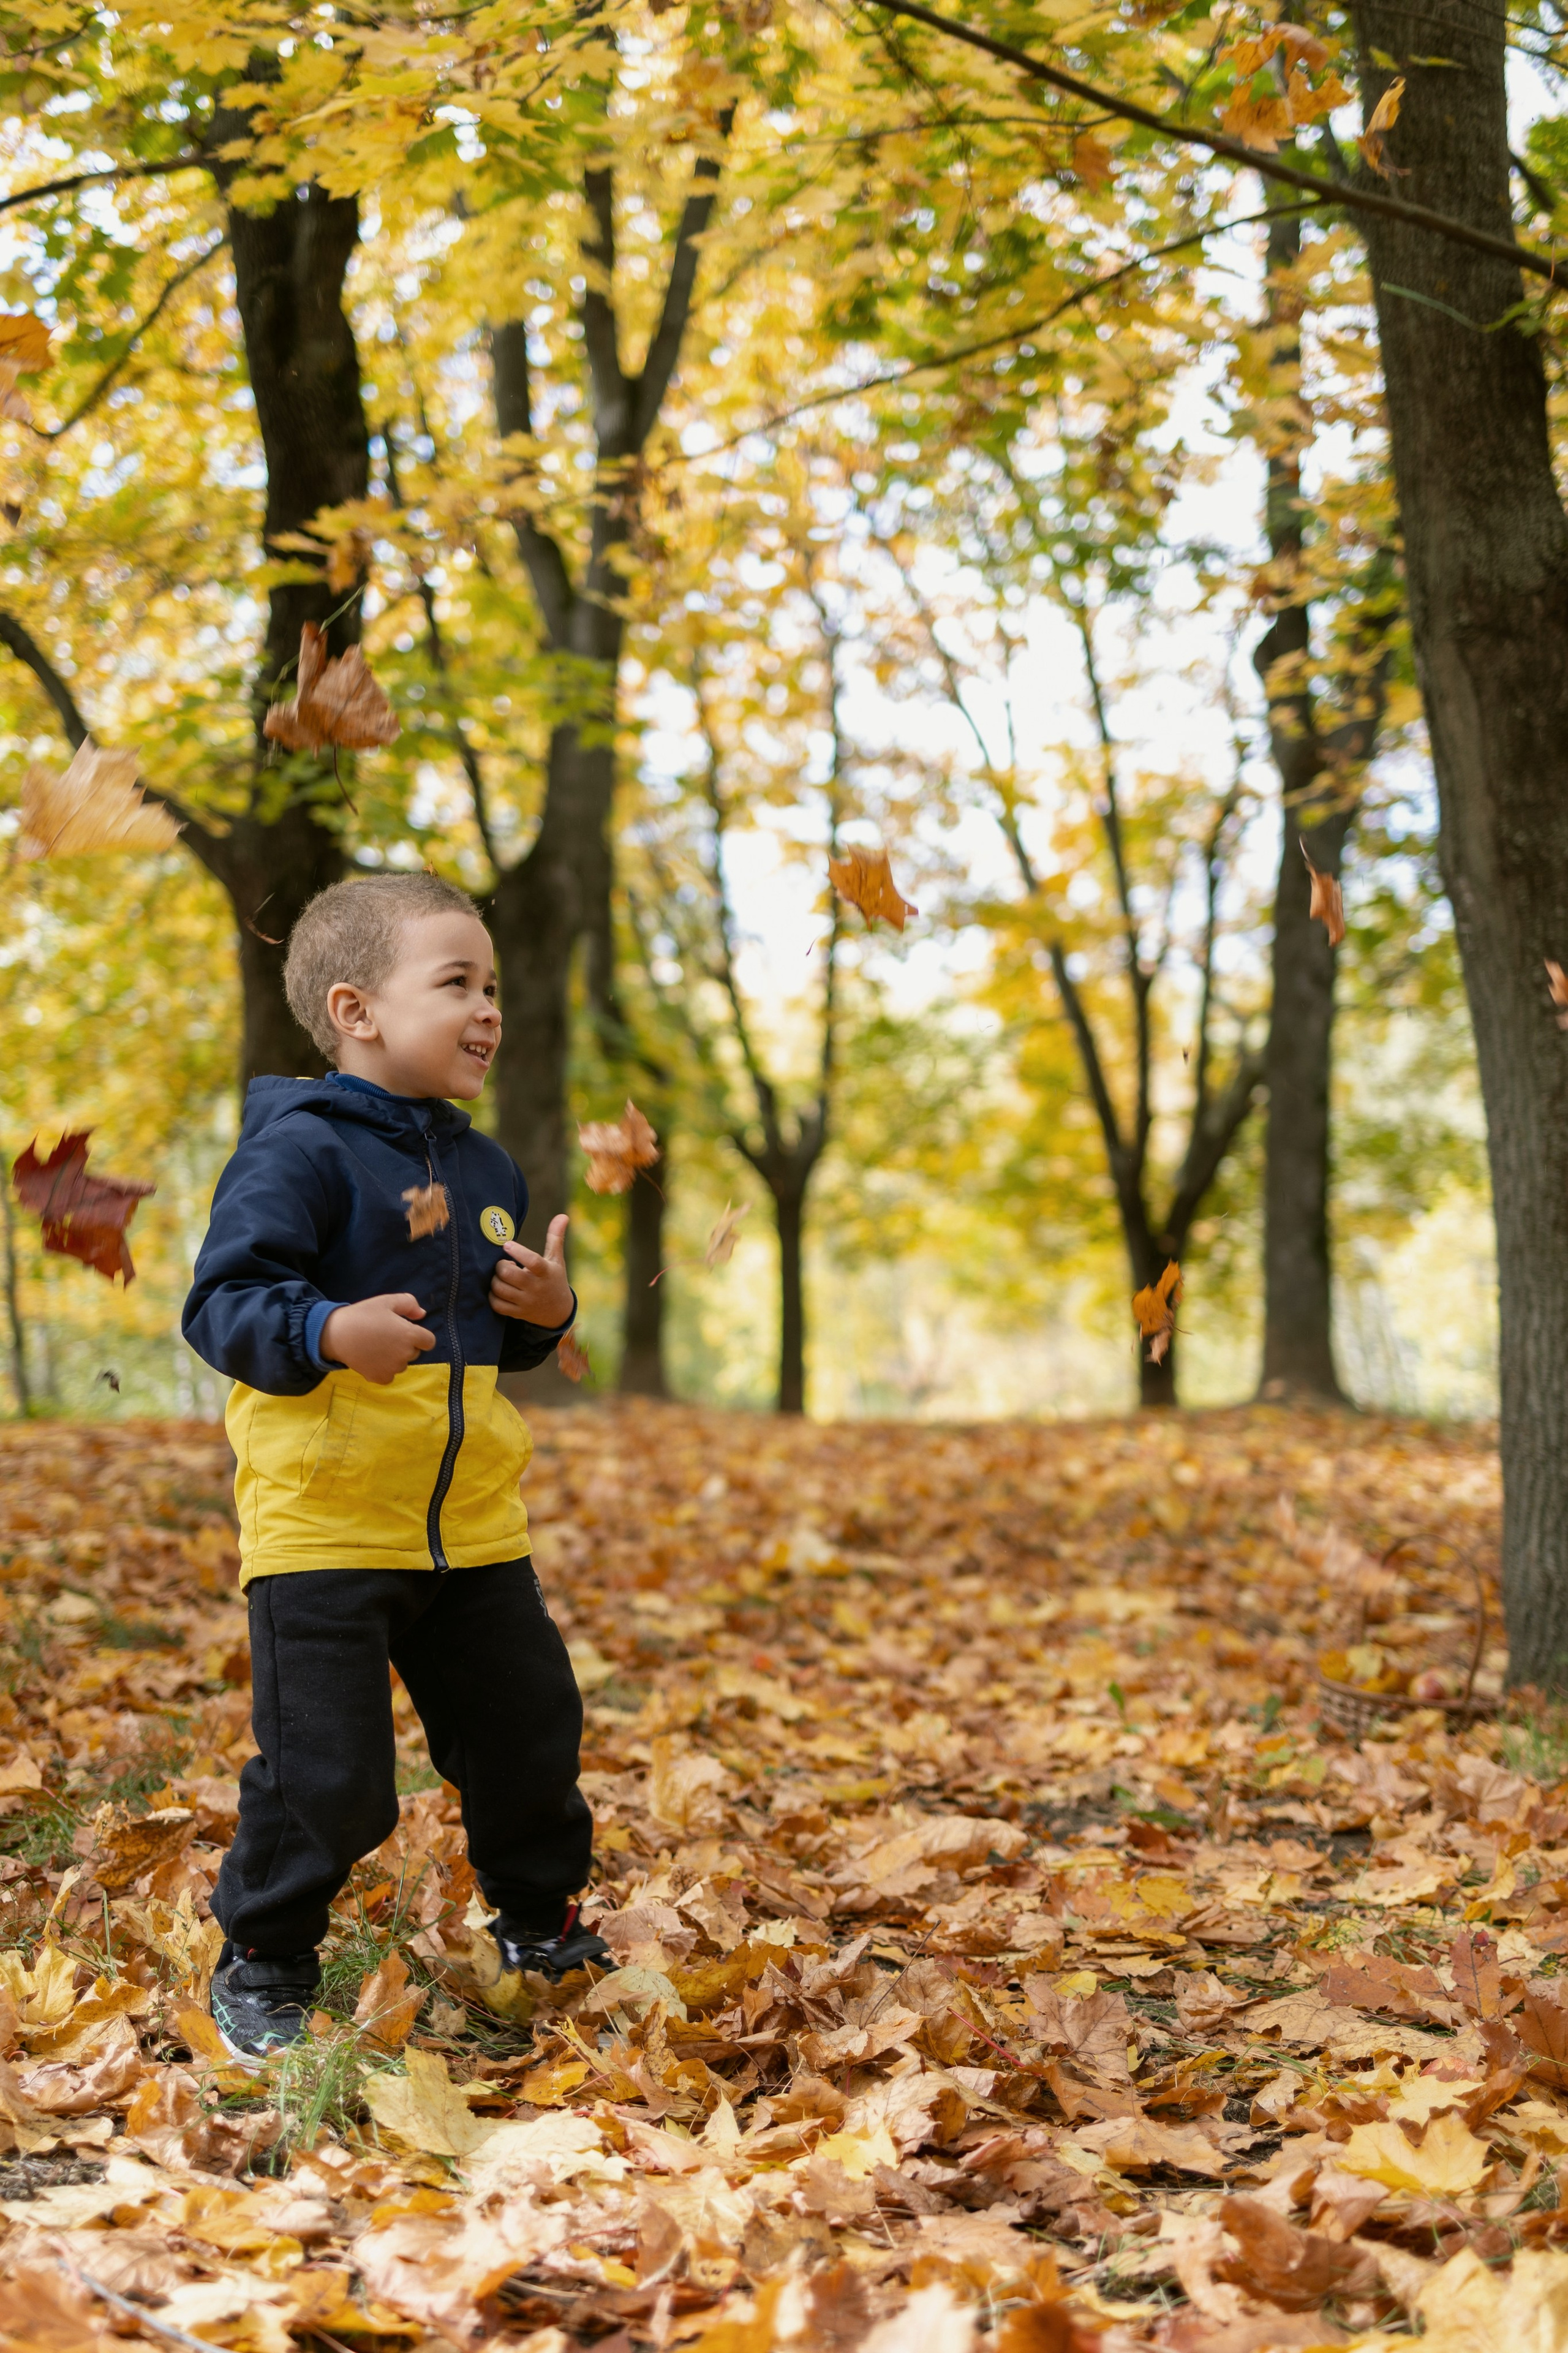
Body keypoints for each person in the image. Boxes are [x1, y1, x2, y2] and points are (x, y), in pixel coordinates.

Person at [183, 871, 610, 2057]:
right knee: (334, 1779)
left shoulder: (485, 1170)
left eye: (494, 987)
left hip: (471, 1526)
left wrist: (545, 1308)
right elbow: (223, 1305)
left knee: (528, 1730)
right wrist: (328, 1333)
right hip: (325, 1523)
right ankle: (264, 1956)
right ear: (356, 1009)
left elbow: (493, 1338)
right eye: (457, 983)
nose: (489, 1009)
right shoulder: (300, 1153)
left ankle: (537, 1921)